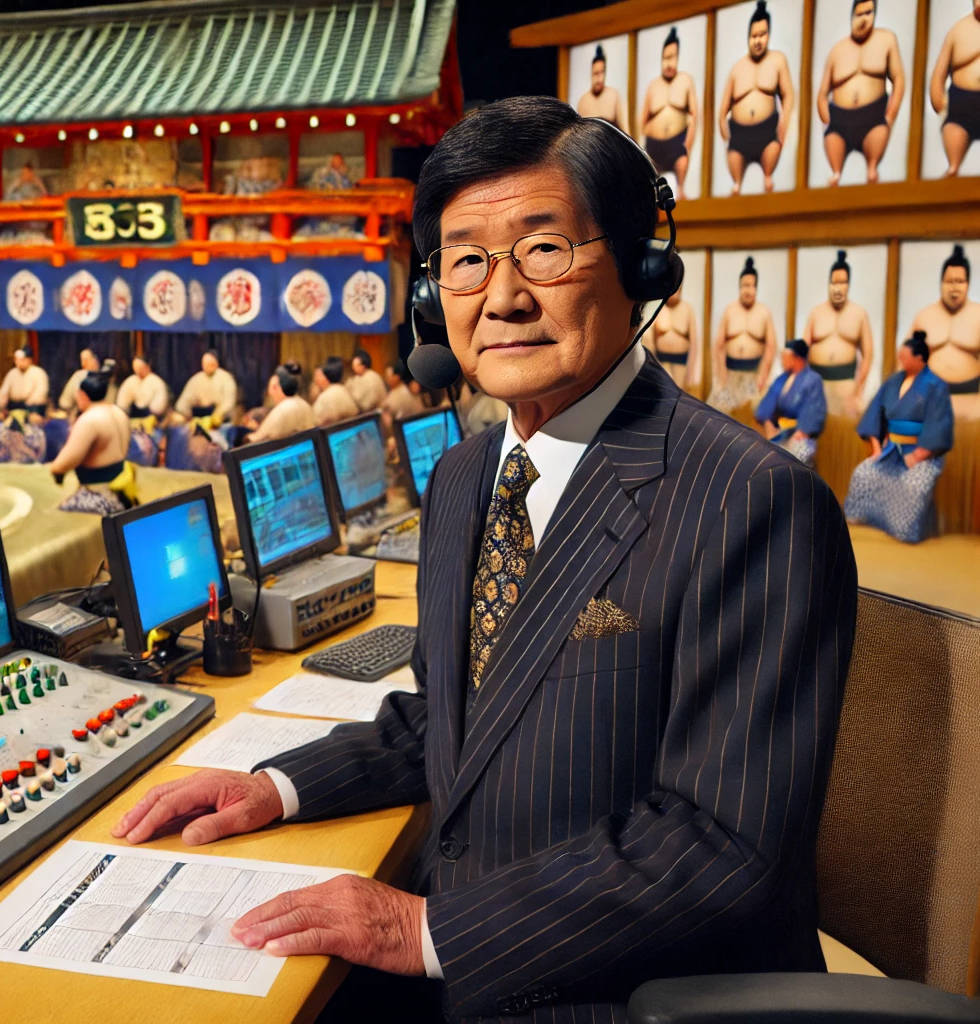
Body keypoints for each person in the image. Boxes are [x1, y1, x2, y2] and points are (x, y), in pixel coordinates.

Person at [111, 97, 855, 1022]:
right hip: (462, 955)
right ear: (433, 297)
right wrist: (277, 786)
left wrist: (423, 931)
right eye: (466, 261)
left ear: (640, 266)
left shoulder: (752, 500)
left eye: (544, 250)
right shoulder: (465, 477)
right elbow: (456, 716)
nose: (501, 297)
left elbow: (720, 843)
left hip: (626, 991)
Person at [847, 331, 955, 543]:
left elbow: (938, 426)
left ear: (919, 358)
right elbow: (875, 415)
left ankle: (902, 529)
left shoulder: (936, 386)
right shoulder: (893, 382)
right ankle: (866, 518)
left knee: (913, 484)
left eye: (905, 356)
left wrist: (918, 455)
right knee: (864, 473)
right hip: (890, 450)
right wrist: (877, 448)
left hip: (922, 454)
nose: (900, 359)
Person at [817, 0, 905, 186]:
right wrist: (827, 122)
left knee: (872, 175)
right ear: (851, 16)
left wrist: (890, 116)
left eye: (869, 13)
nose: (864, 20)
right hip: (839, 120)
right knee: (835, 178)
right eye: (859, 15)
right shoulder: (837, 50)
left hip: (874, 116)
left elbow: (898, 79)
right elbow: (822, 94)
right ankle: (836, 173)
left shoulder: (886, 40)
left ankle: (871, 169)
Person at [720, 0, 795, 195]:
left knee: (768, 184)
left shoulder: (778, 60)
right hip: (739, 134)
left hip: (767, 130)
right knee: (736, 188)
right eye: (754, 36)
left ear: (769, 35)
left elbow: (787, 95)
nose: (758, 40)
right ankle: (737, 184)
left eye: (762, 35)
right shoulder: (737, 68)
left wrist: (784, 121)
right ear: (748, 37)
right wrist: (726, 135)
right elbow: (723, 109)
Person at [48, 368, 137, 514]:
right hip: (122, 492)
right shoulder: (118, 412)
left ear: (82, 395)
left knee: (52, 514)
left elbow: (62, 465)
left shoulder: (89, 420)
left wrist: (55, 469)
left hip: (100, 495)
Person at [910, 243, 980, 418]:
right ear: (941, 283)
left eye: (960, 281)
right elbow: (907, 359)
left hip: (971, 402)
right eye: (949, 281)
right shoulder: (924, 317)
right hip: (929, 402)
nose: (954, 288)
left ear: (968, 284)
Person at [804, 249, 874, 416]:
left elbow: (868, 355)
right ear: (828, 284)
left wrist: (858, 391)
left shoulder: (859, 314)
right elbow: (803, 352)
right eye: (834, 283)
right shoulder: (816, 313)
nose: (838, 288)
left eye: (842, 283)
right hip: (818, 385)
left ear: (848, 285)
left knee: (843, 437)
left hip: (846, 387)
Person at [708, 256, 777, 412]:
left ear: (756, 288)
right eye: (745, 285)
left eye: (752, 286)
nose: (748, 290)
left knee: (756, 420)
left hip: (754, 376)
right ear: (739, 286)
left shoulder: (764, 313)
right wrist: (721, 377)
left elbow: (771, 348)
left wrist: (762, 377)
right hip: (730, 374)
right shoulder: (729, 311)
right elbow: (718, 346)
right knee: (716, 417)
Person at [641, 27, 699, 193]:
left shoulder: (686, 81)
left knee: (681, 185)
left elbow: (694, 115)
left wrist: (688, 144)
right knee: (649, 192)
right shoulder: (653, 86)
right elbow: (643, 120)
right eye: (666, 58)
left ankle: (681, 190)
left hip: (677, 142)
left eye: (672, 57)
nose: (669, 63)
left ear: (678, 57)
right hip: (654, 145)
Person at [756, 338, 828, 465]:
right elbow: (766, 405)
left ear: (797, 358)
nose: (782, 360)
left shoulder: (813, 380)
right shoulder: (781, 379)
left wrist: (798, 434)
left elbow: (812, 413)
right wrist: (769, 426)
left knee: (795, 456)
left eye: (785, 357)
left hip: (801, 436)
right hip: (778, 433)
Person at [928, 0, 980, 177]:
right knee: (953, 134)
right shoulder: (957, 31)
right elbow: (940, 71)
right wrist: (939, 99)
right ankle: (953, 167)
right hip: (960, 103)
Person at [0, 346, 50, 463]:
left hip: (33, 413)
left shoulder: (39, 373)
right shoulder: (12, 374)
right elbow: (3, 392)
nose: (19, 362)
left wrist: (29, 413)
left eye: (22, 359)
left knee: (31, 434)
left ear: (30, 360)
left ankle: (30, 458)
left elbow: (39, 396)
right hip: (12, 413)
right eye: (17, 359)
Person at [116, 355, 169, 465]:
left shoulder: (156, 382)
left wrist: (149, 418)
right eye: (136, 368)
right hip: (131, 422)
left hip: (152, 422)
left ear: (147, 366)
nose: (138, 371)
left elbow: (158, 408)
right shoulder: (130, 381)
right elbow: (122, 405)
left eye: (141, 367)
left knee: (156, 439)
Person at [649, 277, 699, 386]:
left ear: (680, 290)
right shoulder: (657, 309)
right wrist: (651, 366)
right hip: (661, 361)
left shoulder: (688, 309)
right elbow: (650, 340)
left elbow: (694, 344)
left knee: (678, 395)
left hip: (681, 363)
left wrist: (691, 373)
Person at [247, 363, 314, 443]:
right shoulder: (304, 404)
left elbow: (255, 441)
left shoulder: (283, 409)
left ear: (275, 387)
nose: (269, 394)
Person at [574, 45, 628, 132]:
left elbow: (625, 130)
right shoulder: (583, 101)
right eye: (596, 73)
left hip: (611, 144)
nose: (600, 79)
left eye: (602, 73)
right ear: (591, 74)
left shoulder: (613, 95)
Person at [56, 346, 114, 416]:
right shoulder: (81, 375)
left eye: (86, 360)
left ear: (96, 360)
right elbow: (65, 402)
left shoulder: (81, 375)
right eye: (82, 361)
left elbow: (65, 403)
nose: (83, 364)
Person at [312, 356, 360, 425]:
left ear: (325, 378)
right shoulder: (342, 389)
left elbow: (315, 423)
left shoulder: (325, 397)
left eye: (317, 376)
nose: (315, 380)